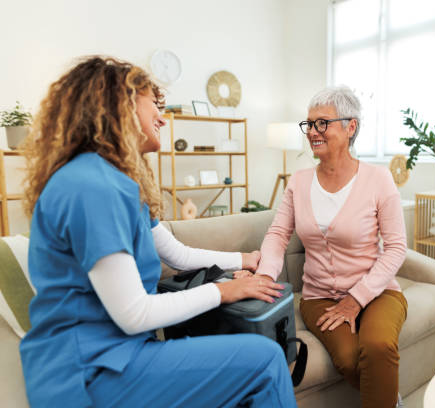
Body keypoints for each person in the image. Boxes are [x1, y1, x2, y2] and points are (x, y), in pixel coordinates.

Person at [19, 56, 297, 408]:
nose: (162, 117)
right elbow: (135, 314)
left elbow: (176, 253)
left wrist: (245, 259)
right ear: (120, 105)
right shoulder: (92, 186)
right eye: (153, 104)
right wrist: (223, 291)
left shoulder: (118, 182)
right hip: (87, 374)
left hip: (118, 356)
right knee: (266, 361)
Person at [254, 85, 408, 408]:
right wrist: (266, 277)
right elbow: (278, 234)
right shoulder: (298, 182)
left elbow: (396, 248)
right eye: (309, 124)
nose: (312, 131)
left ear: (350, 127)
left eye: (322, 123)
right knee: (351, 359)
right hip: (319, 296)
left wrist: (357, 298)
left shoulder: (379, 179)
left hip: (378, 292)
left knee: (378, 347)